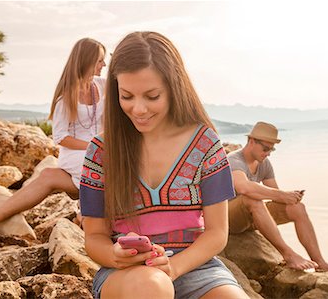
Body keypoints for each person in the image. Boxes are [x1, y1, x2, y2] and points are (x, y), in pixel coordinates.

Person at [79, 31, 249, 299]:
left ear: (174, 87)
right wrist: (114, 254)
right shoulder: (101, 152)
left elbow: (217, 233)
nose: (138, 109)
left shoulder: (204, 143)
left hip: (195, 267)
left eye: (152, 96)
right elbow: (94, 237)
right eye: (127, 96)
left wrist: (174, 267)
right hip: (128, 275)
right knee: (153, 287)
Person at [0, 38, 106, 237]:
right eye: (100, 60)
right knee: (99, 165)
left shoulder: (102, 85)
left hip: (98, 150)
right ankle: (87, 215)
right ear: (87, 61)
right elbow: (60, 137)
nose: (104, 65)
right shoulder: (66, 98)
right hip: (76, 153)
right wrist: (94, 146)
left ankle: (85, 214)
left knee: (58, 173)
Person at [227, 121, 328, 275]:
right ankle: (288, 254)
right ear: (251, 141)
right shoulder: (234, 160)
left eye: (271, 149)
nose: (268, 153)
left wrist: (291, 197)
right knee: (251, 198)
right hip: (227, 219)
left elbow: (276, 195)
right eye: (265, 148)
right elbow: (243, 187)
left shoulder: (264, 163)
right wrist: (282, 195)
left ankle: (320, 262)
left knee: (297, 208)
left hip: (250, 217)